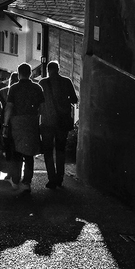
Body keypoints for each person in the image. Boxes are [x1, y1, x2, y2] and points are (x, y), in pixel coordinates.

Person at [3, 62, 44, 192]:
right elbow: (42, 107)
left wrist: (5, 124)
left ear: (19, 73)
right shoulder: (37, 88)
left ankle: (15, 180)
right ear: (30, 73)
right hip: (32, 121)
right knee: (29, 153)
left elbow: (9, 107)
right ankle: (26, 182)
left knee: (17, 152)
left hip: (17, 122)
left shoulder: (14, 88)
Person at [39, 60, 79, 188]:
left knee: (48, 150)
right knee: (61, 150)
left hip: (47, 122)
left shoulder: (43, 83)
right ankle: (60, 177)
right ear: (58, 69)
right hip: (62, 121)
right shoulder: (66, 82)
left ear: (47, 70)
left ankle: (51, 178)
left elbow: (39, 102)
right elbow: (74, 99)